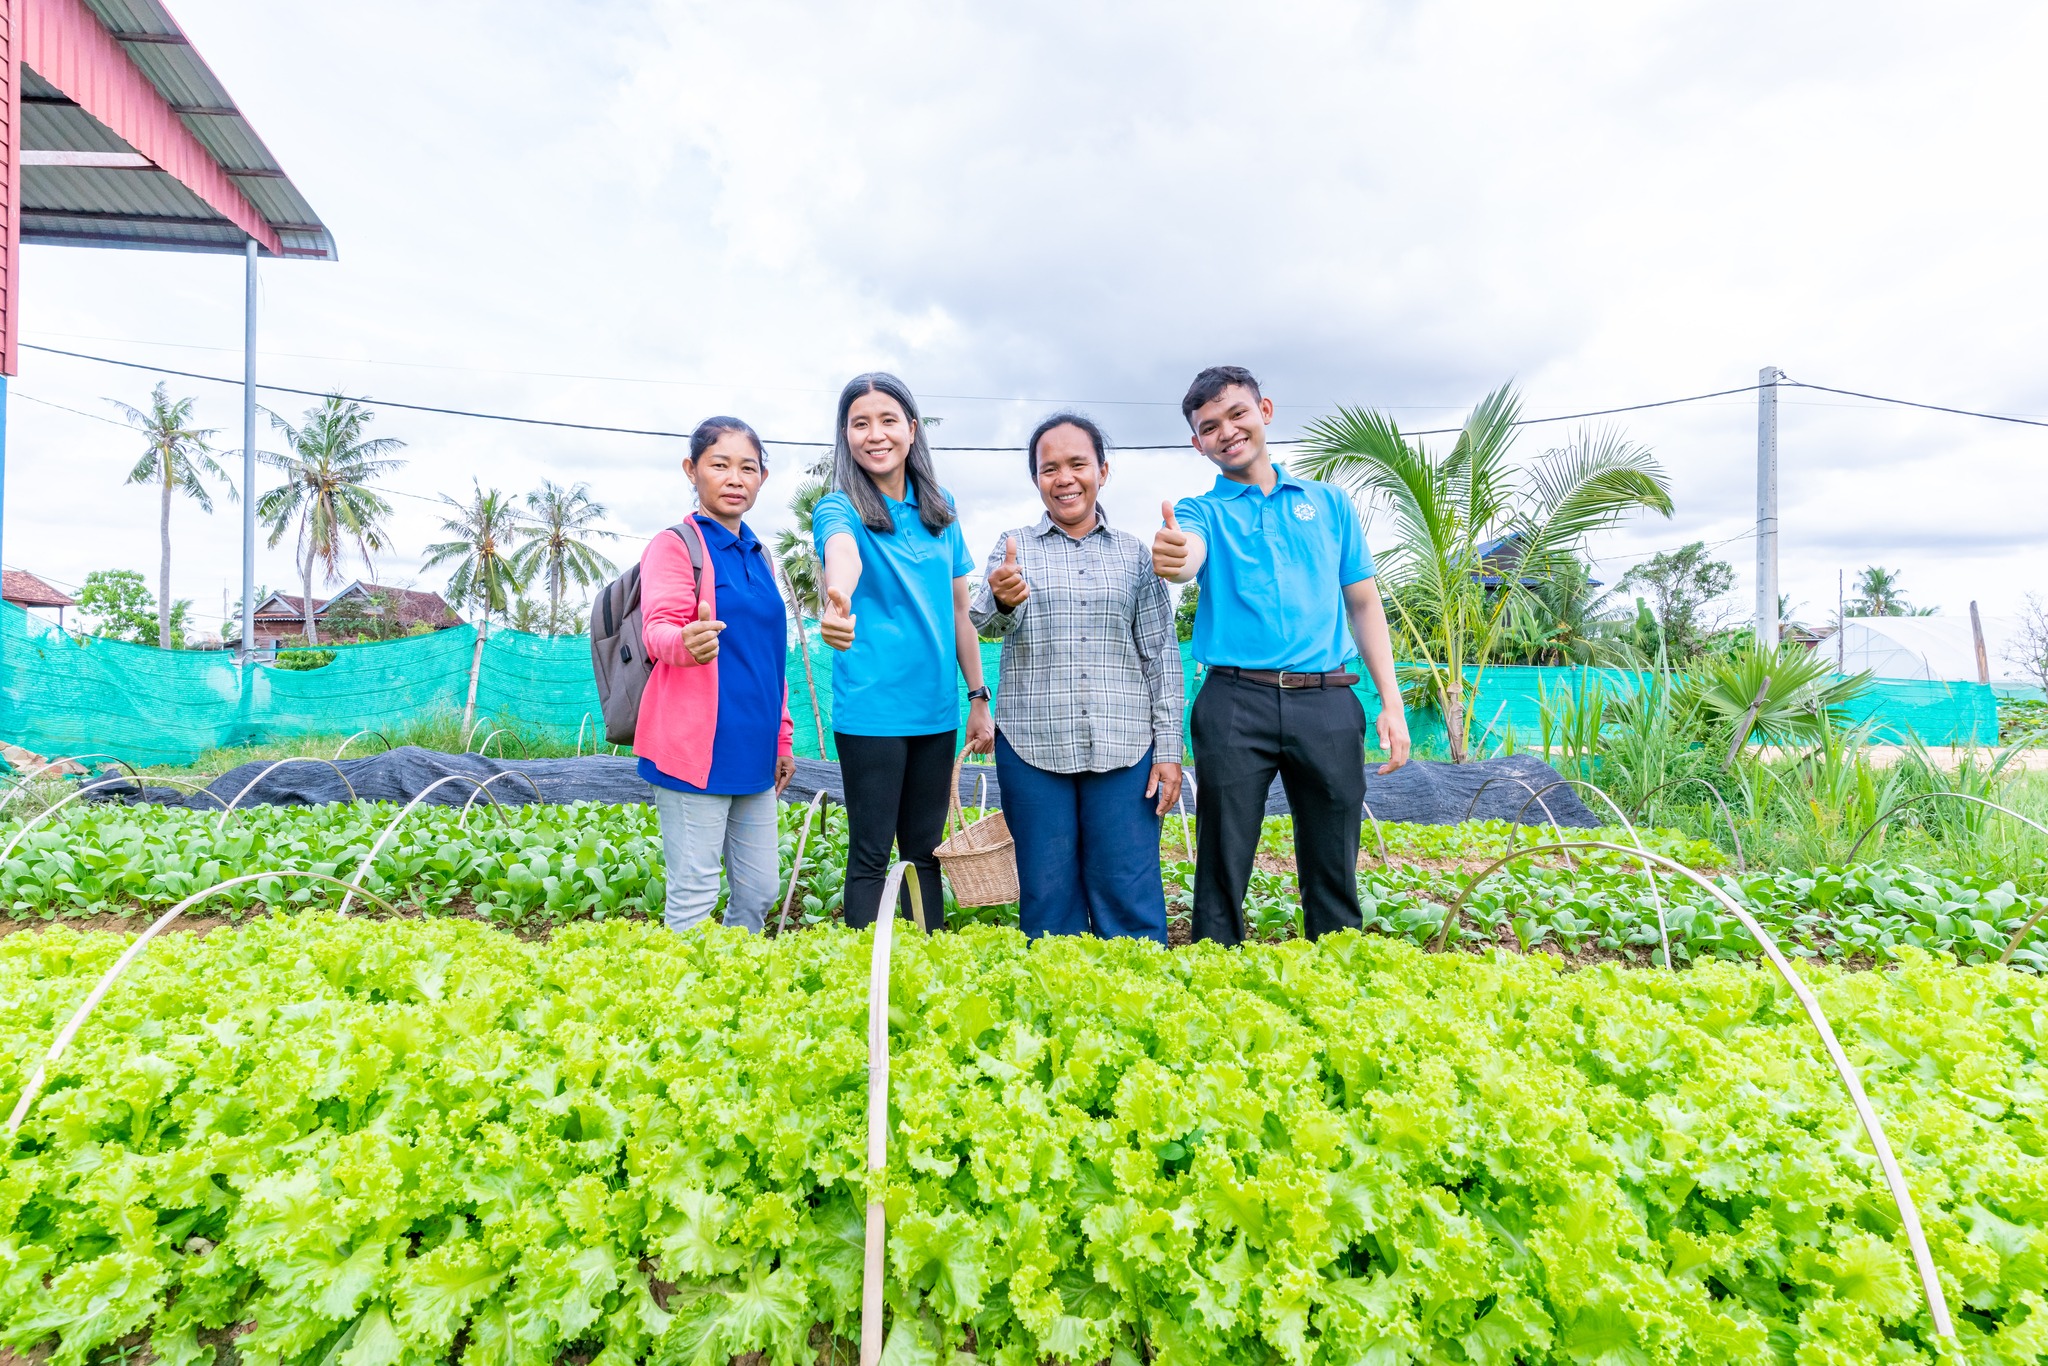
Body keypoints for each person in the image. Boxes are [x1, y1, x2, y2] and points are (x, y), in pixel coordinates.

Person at [1151, 365, 1410, 945]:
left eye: (1237, 414)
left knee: (1334, 852)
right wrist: (1176, 554)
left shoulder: (1329, 504)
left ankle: (1335, 965)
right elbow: (1188, 555)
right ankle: (1216, 968)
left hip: (1327, 701)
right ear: (1199, 443)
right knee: (1223, 854)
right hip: (1233, 703)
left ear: (1264, 411)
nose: (1227, 431)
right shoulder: (1202, 511)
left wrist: (1390, 703)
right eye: (1210, 426)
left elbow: (1364, 604)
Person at [970, 413, 1183, 942]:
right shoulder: (1014, 545)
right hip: (1033, 746)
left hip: (1125, 745)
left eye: (1076, 464)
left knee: (1129, 889)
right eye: (1049, 468)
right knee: (1047, 892)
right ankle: (1059, 1004)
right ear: (1037, 479)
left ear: (1102, 471)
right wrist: (1001, 597)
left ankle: (1135, 1002)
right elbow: (984, 622)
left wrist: (1170, 748)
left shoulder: (1135, 553)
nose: (1063, 478)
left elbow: (1160, 653)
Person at [815, 373, 994, 930]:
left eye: (888, 420)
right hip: (872, 711)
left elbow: (961, 610)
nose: (875, 434)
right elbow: (843, 555)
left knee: (925, 852)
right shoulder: (838, 507)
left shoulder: (941, 509)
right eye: (860, 423)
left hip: (936, 711)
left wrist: (978, 696)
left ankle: (924, 967)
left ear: (912, 430)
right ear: (846, 436)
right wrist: (838, 595)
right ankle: (866, 979)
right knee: (871, 853)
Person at [635, 416, 797, 933]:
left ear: (762, 479)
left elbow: (773, 656)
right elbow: (657, 628)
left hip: (754, 749)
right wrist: (685, 643)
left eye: (747, 468)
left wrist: (783, 738)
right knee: (695, 889)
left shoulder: (761, 555)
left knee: (759, 889)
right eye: (719, 465)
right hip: (694, 749)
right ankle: (683, 1002)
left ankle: (733, 987)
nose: (734, 478)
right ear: (692, 470)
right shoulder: (676, 545)